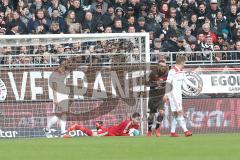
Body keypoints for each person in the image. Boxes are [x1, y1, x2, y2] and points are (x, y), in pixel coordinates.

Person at [165, 55, 196, 137]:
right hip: (174, 94)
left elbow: (186, 80)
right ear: (182, 62)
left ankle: (172, 132)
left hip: (179, 94)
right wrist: (166, 94)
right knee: (180, 112)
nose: (185, 63)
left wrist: (196, 87)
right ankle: (186, 131)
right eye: (185, 61)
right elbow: (168, 83)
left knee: (175, 113)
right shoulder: (172, 71)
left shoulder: (181, 71)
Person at [44, 58, 70, 138]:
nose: (67, 64)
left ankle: (63, 133)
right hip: (58, 95)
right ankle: (47, 129)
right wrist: (55, 98)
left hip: (64, 95)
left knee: (64, 114)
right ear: (62, 63)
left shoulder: (65, 72)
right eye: (66, 62)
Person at [65, 112, 141, 137]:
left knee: (101, 131)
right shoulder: (127, 123)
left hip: (114, 133)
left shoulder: (137, 125)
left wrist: (134, 133)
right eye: (137, 119)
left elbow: (134, 132)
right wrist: (130, 135)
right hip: (111, 132)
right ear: (132, 118)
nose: (138, 121)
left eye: (139, 119)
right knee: (93, 135)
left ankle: (99, 126)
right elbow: (122, 134)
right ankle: (77, 126)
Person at [147, 60, 169, 137]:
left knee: (161, 112)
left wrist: (167, 94)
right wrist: (156, 84)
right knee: (151, 115)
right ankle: (149, 130)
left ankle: (157, 128)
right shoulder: (153, 73)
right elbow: (148, 83)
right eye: (161, 66)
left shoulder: (167, 73)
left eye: (164, 66)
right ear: (158, 66)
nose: (163, 67)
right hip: (153, 96)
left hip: (161, 96)